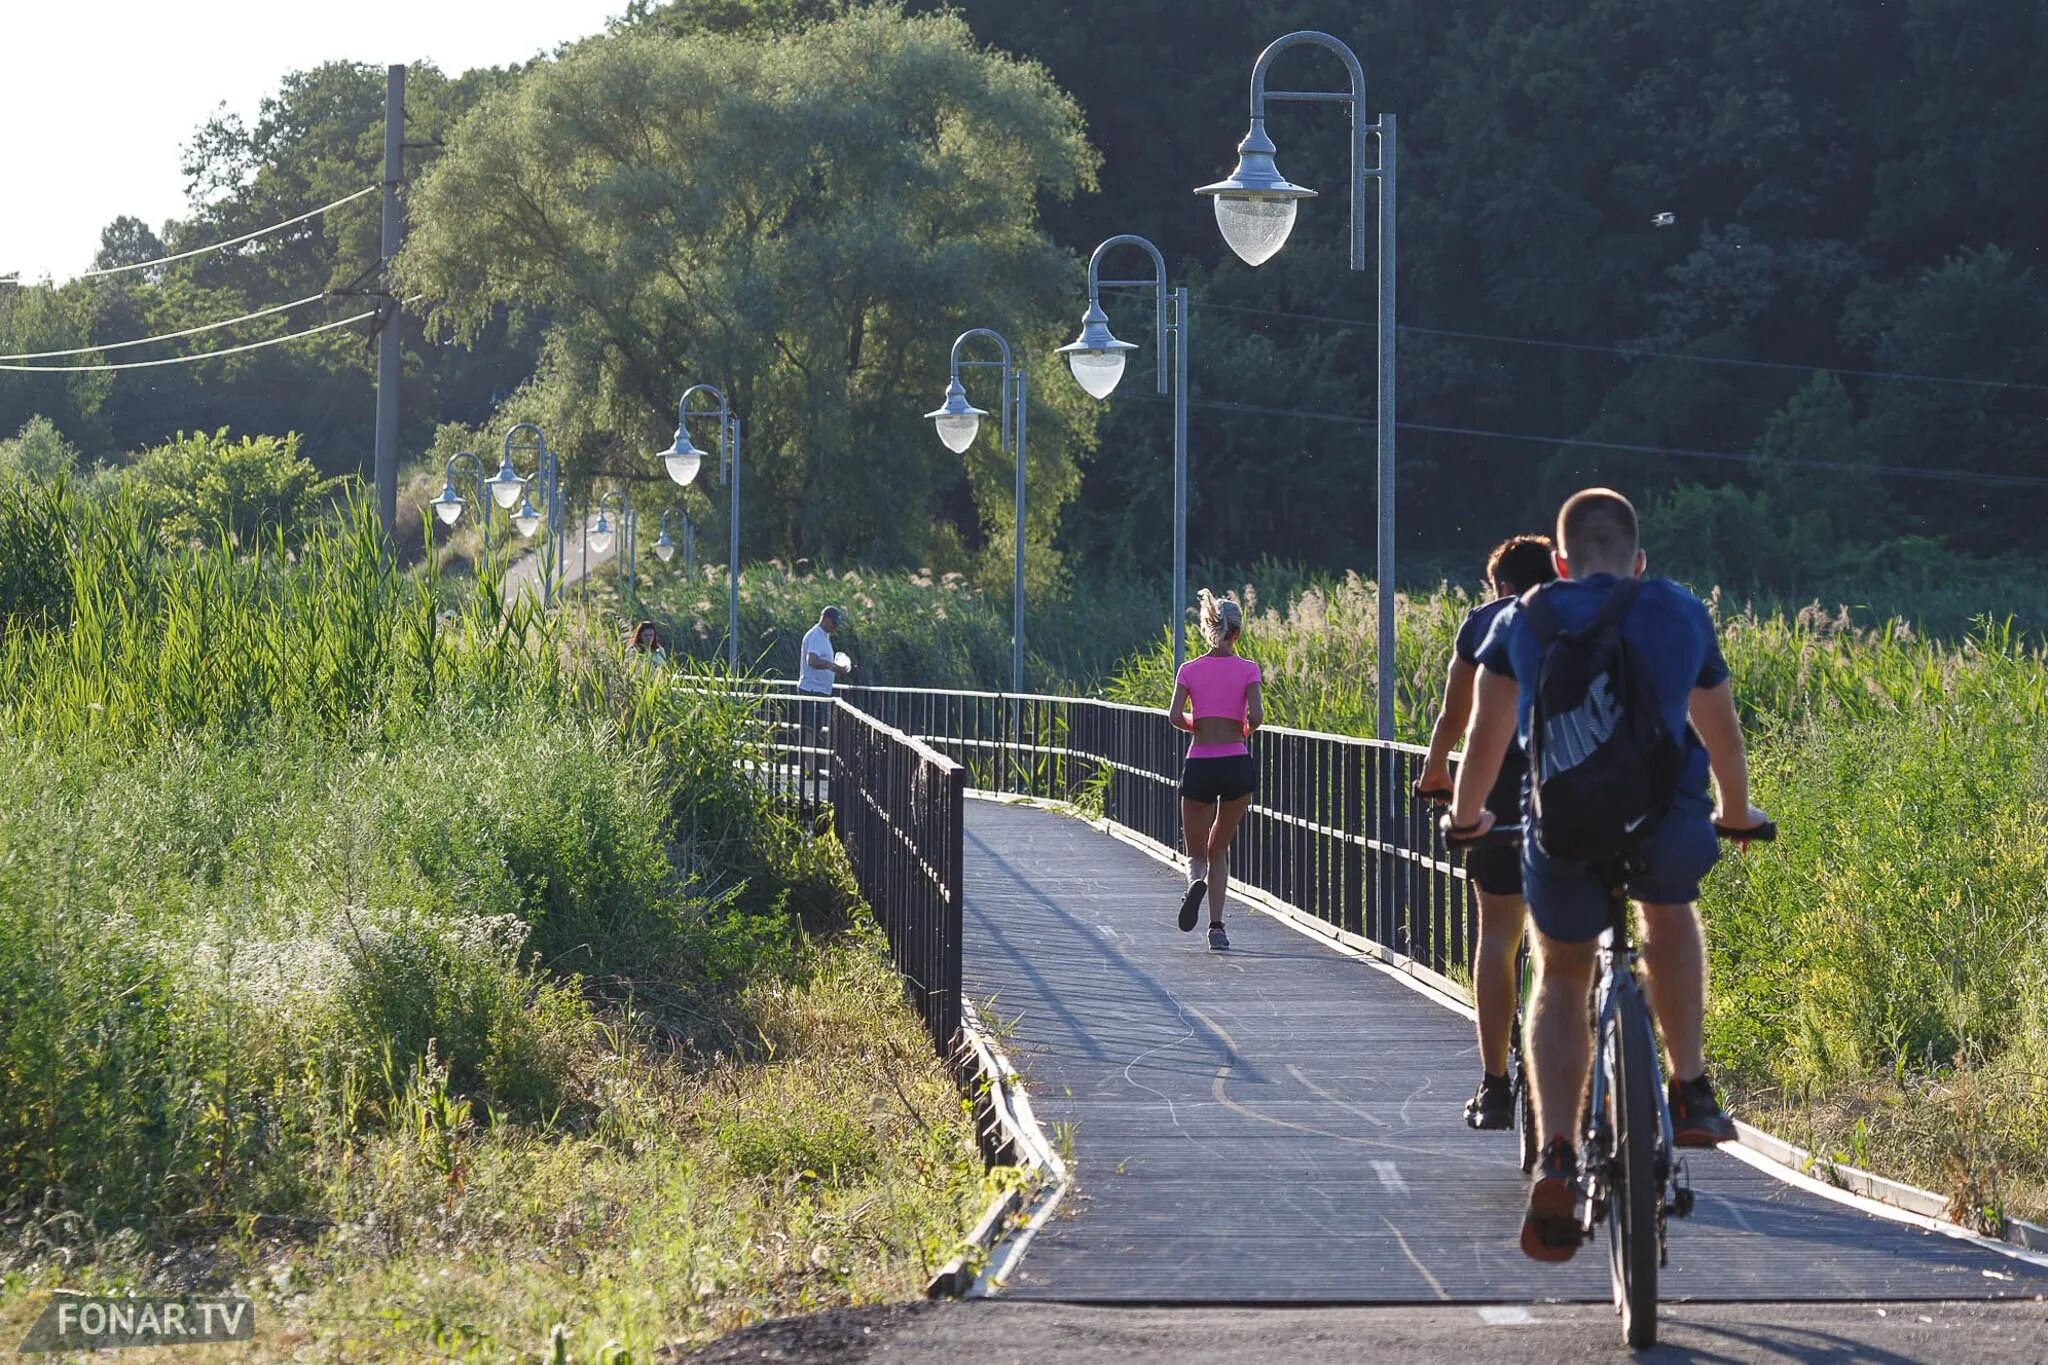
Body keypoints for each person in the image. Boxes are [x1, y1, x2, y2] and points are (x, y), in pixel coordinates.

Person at [1443, 488, 1769, 1263]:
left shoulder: (1526, 618)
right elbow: (1720, 728)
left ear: (1558, 562)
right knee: (1669, 913)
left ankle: (1556, 1149)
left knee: (1559, 972)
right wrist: (1738, 810)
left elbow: (1487, 738)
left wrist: (1466, 817)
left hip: (1561, 832)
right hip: (1664, 823)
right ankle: (1689, 1086)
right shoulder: (1678, 609)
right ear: (1638, 560)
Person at [1414, 534, 1557, 1132]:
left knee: (1498, 933)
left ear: (1499, 584)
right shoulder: (1579, 613)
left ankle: (1495, 1085)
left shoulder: (1484, 624)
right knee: (1567, 941)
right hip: (1571, 780)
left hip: (1499, 788)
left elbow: (1457, 714)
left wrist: (1434, 768)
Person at [1167, 590, 1264, 951]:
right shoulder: (1248, 669)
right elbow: (1257, 716)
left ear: (1208, 627)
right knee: (1218, 848)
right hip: (1237, 766)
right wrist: (1240, 730)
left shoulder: (1189, 670)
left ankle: (1195, 882)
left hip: (1201, 764)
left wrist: (1201, 725)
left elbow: (1175, 716)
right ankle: (1217, 928)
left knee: (1196, 853)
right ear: (1236, 633)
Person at [798, 606, 851, 697]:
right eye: (834, 623)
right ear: (825, 619)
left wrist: (838, 668)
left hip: (819, 690)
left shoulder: (823, 636)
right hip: (812, 691)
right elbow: (812, 661)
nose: (836, 627)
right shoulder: (816, 636)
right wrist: (833, 666)